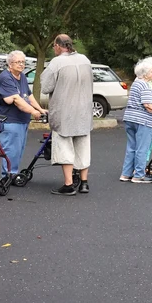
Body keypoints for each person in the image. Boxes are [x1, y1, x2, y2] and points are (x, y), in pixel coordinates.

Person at [40, 34, 94, 195]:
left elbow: (46, 87)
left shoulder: (57, 62)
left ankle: (68, 184)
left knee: (65, 147)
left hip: (64, 112)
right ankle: (84, 183)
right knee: (83, 146)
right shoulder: (85, 60)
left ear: (58, 45)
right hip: (84, 110)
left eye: (53, 46)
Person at [0, 50, 45, 180]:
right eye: (18, 62)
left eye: (23, 62)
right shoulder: (5, 78)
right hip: (9, 120)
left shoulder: (22, 77)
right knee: (11, 151)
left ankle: (13, 174)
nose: (21, 65)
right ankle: (7, 176)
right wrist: (33, 112)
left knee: (18, 150)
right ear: (10, 64)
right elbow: (16, 100)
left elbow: (29, 96)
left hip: (22, 120)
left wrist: (41, 110)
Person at [120, 56, 152, 183]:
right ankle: (139, 175)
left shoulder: (136, 83)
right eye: (151, 71)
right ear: (147, 73)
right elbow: (148, 105)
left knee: (131, 147)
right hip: (142, 121)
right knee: (142, 148)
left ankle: (125, 174)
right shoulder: (145, 85)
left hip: (130, 119)